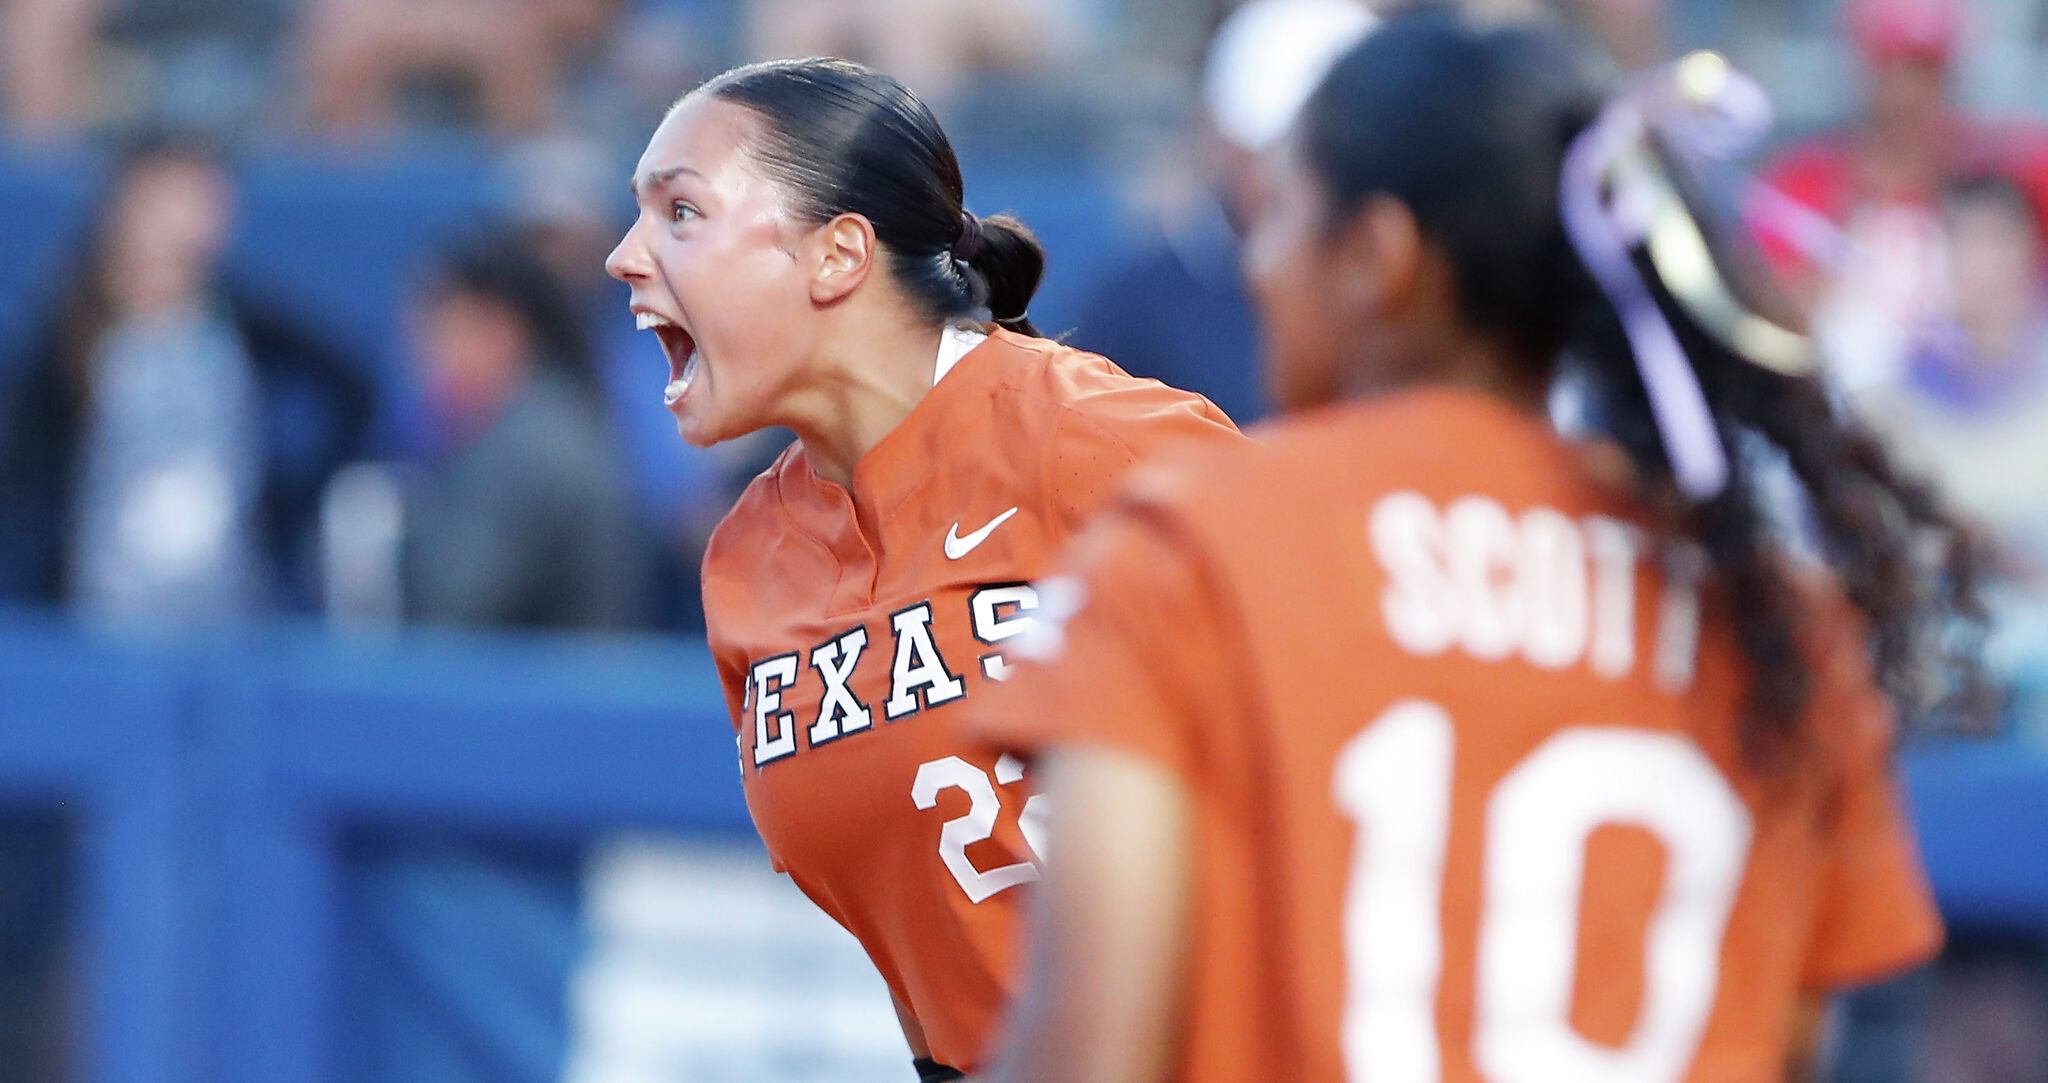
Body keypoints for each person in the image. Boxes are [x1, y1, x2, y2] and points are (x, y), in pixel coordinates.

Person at [980, 9, 1985, 1082]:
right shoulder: (1770, 613)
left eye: (1278, 218)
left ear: (1376, 256)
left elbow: (1086, 1056)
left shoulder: (1185, 550)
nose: (1257, 269)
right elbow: (1782, 1046)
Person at [602, 57, 1242, 1080]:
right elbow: (922, 941)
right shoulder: (746, 565)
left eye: (680, 212)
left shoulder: (1113, 449)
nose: (623, 257)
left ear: (836, 254)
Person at [0, 135, 372, 624]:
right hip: (95, 613)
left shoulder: (242, 319)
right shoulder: (69, 330)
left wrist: (284, 508)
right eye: (175, 197)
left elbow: (348, 385)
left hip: (226, 609)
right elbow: (24, 481)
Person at [403, 234, 650, 629]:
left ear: (501, 332)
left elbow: (454, 613)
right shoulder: (544, 418)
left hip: (553, 686)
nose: (423, 351)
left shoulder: (529, 447)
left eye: (442, 328)